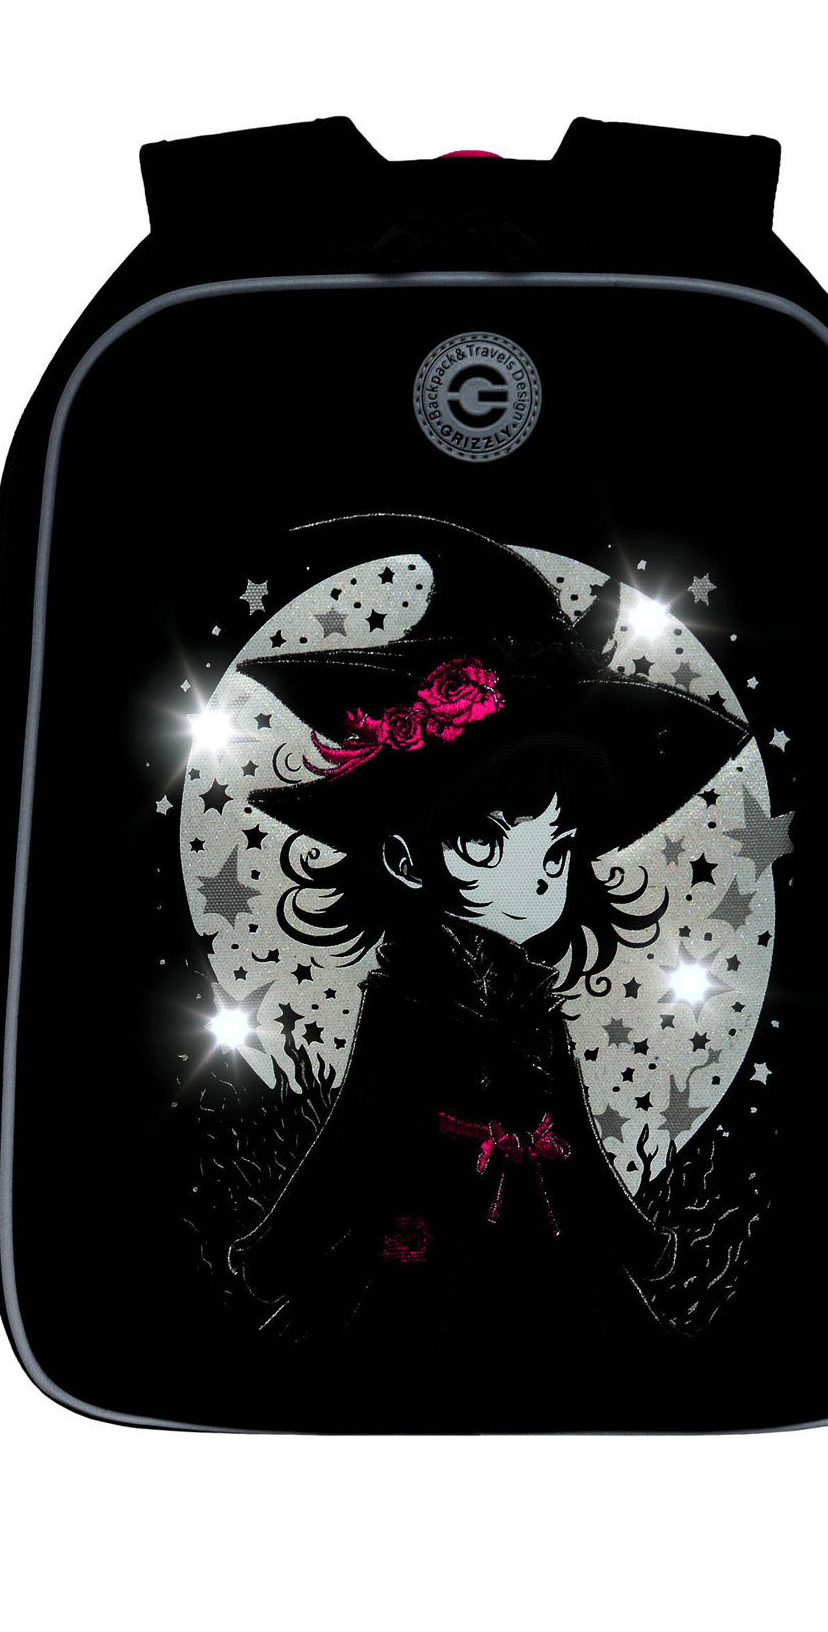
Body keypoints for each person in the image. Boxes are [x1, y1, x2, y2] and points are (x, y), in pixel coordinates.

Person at [225, 516, 745, 1374]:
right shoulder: (406, 1005)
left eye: (557, 850)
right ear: (405, 857)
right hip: (425, 1260)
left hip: (553, 1256)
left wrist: (635, 1240)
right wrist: (278, 1250)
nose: (535, 880)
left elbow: (578, 1146)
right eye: (484, 841)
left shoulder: (538, 1013)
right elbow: (352, 1142)